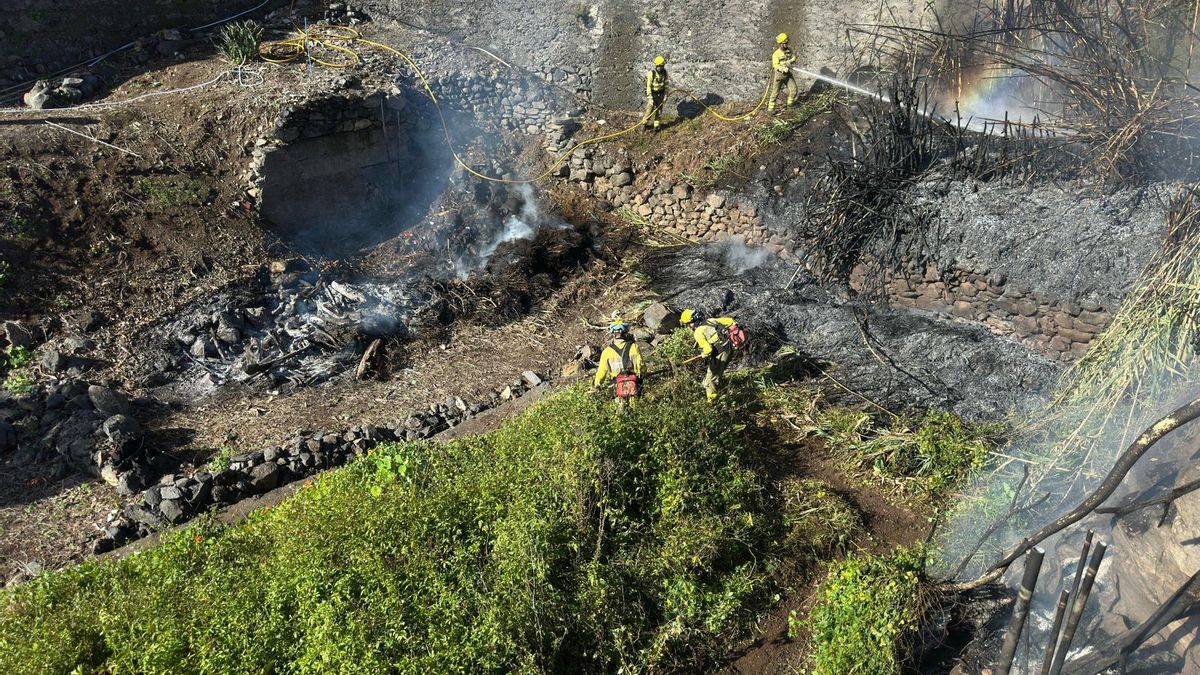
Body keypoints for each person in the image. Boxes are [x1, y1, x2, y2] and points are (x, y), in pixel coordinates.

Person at [681, 308, 736, 402]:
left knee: (710, 380)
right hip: (730, 347)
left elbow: (708, 349)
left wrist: (703, 354)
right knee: (716, 374)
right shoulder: (711, 320)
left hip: (720, 353)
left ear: (691, 323)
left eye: (687, 324)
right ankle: (719, 389)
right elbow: (730, 321)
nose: (688, 327)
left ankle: (712, 403)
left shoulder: (698, 332)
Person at [593, 321, 643, 410]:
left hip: (616, 386)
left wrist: (597, 385)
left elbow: (601, 372)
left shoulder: (607, 351)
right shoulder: (634, 347)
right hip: (633, 384)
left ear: (613, 334)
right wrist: (642, 375)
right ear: (625, 333)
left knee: (619, 412)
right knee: (635, 410)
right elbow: (641, 365)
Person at [768, 33, 798, 115]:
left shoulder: (789, 50)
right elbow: (775, 65)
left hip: (788, 75)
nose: (787, 44)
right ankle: (770, 109)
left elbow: (794, 57)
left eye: (787, 42)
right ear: (781, 43)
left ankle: (790, 105)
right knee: (775, 93)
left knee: (794, 90)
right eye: (785, 43)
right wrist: (782, 68)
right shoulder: (776, 54)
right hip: (779, 76)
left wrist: (789, 61)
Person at [645, 55, 669, 130]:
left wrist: (665, 95)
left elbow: (666, 85)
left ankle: (656, 126)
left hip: (661, 94)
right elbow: (648, 86)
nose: (661, 68)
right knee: (650, 110)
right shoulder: (651, 73)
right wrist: (650, 98)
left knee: (659, 111)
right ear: (657, 65)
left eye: (662, 66)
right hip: (653, 94)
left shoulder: (665, 73)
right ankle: (644, 124)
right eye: (660, 66)